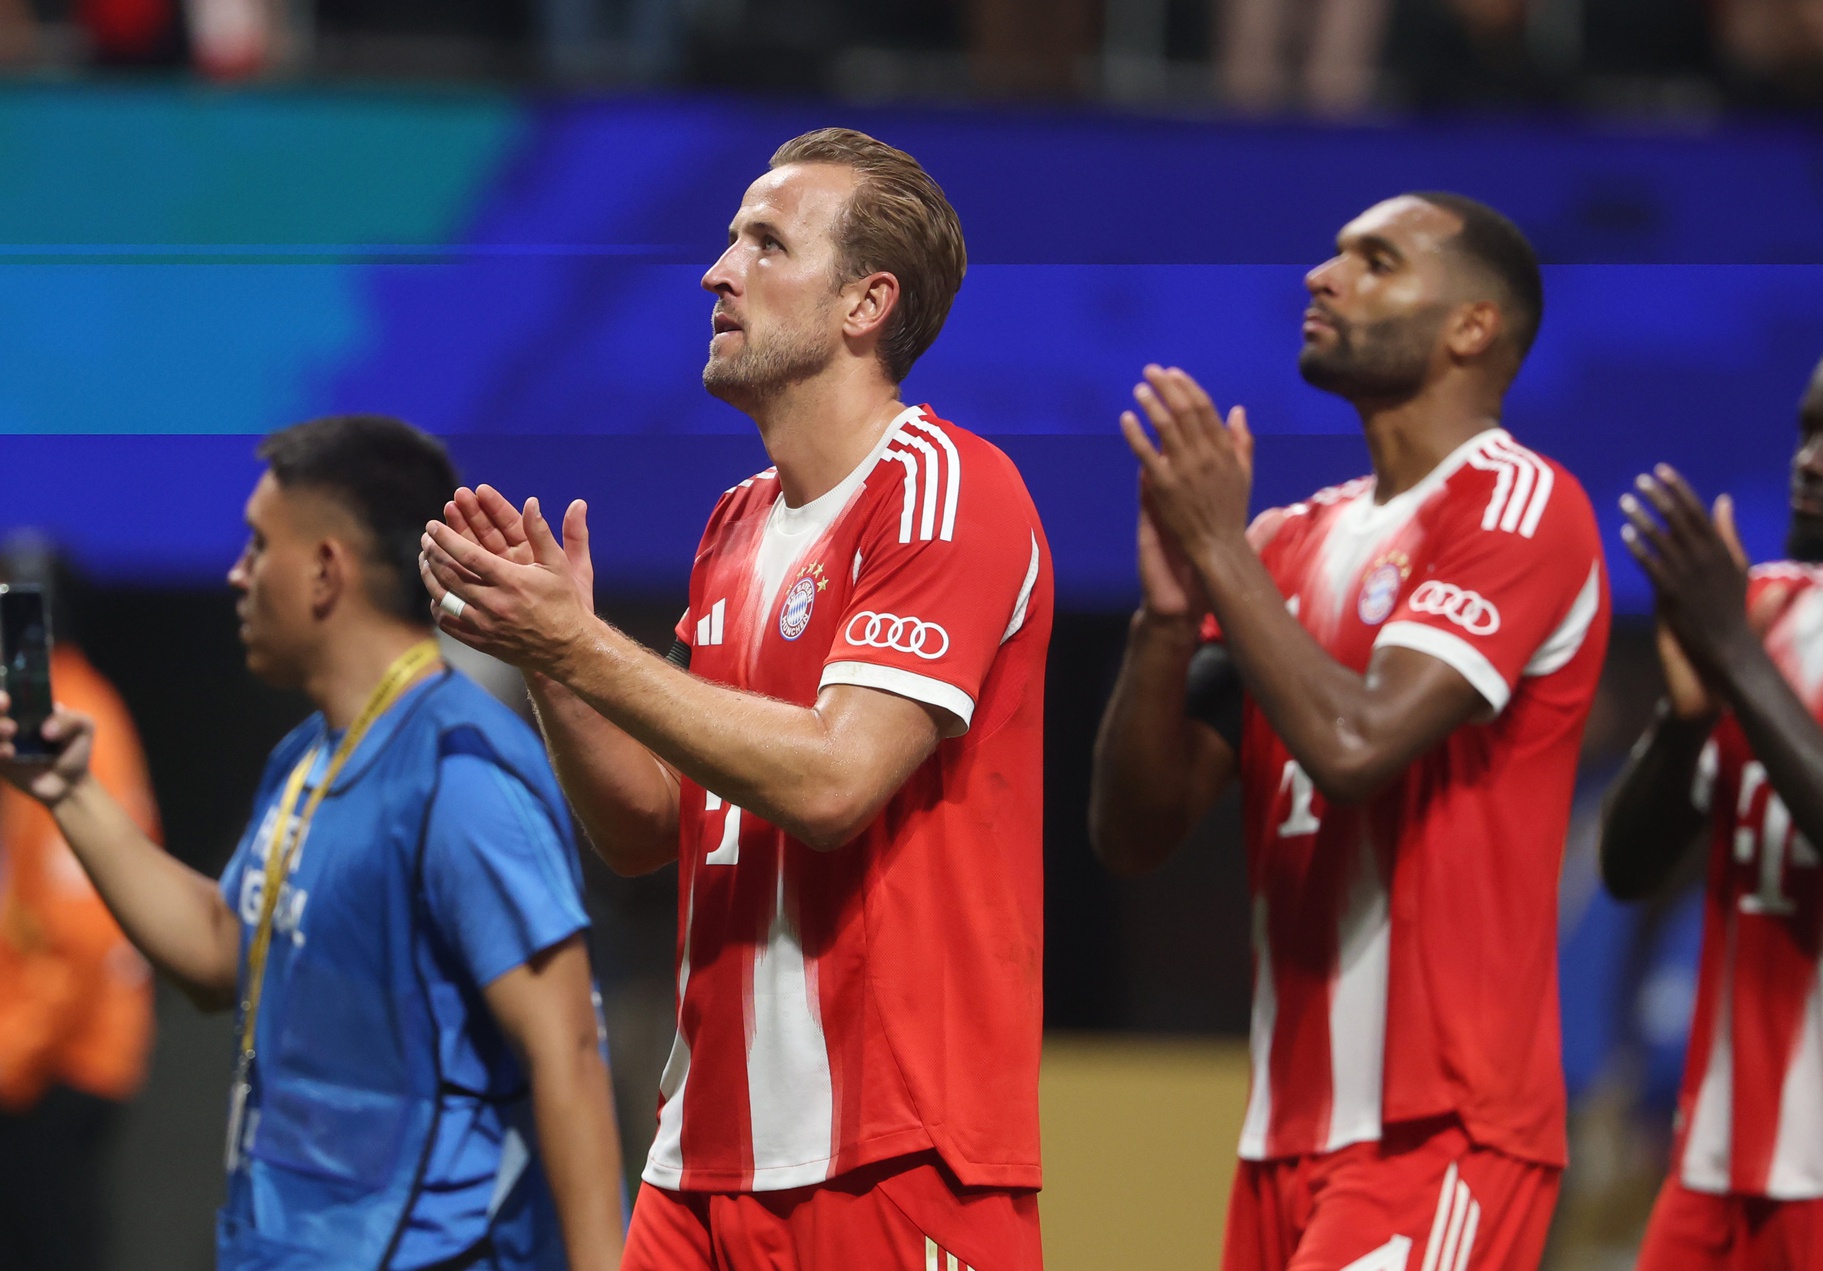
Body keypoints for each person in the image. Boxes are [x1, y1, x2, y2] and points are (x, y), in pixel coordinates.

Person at [417, 127, 1051, 1270]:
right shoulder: (734, 524)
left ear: (866, 303)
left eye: (764, 242)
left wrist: (581, 642)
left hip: (890, 1148)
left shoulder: (950, 488)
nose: (717, 271)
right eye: (726, 241)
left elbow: (832, 778)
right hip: (702, 1148)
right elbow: (649, 828)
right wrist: (555, 660)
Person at [1091, 192, 1608, 1271]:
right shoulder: (1287, 538)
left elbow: (1358, 745)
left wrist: (1219, 555)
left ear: (1471, 325)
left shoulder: (1520, 505)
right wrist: (1166, 617)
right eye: (1331, 256)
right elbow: (1134, 833)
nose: (1322, 279)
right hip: (1282, 1135)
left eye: (1374, 262)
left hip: (1442, 1128)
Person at [0, 416, 626, 1271]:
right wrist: (71, 790)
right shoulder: (305, 760)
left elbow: (569, 1053)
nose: (236, 572)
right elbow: (224, 950)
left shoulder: (460, 771)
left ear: (326, 570)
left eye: (258, 546)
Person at [1601, 325, 1823, 1268]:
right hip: (1712, 1167)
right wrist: (1690, 718)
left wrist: (1733, 660)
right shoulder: (1765, 607)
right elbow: (1626, 866)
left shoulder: (1758, 634)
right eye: (1805, 431)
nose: (1809, 460)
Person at [0, 544, 159, 1271]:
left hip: (59, 1061)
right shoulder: (45, 705)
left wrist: (11, 1057)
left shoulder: (63, 714)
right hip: (42, 1051)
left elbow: (78, 928)